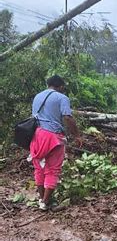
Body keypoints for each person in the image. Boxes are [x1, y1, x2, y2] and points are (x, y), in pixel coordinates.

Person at [29, 74, 81, 211]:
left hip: (36, 135)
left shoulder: (37, 96)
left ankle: (41, 199)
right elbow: (68, 118)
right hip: (53, 137)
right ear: (61, 86)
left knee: (39, 168)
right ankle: (45, 203)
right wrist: (77, 136)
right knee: (52, 169)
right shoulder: (62, 98)